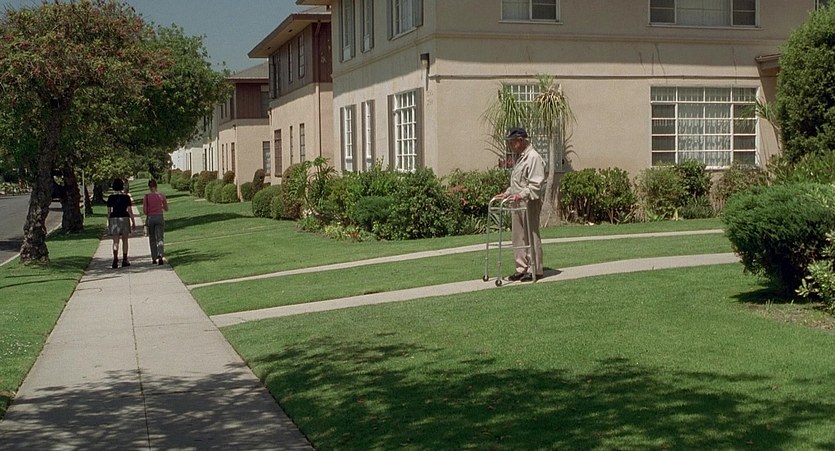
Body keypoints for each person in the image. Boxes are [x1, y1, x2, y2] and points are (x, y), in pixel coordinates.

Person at [495, 127, 545, 282]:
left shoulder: (533, 157)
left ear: (521, 140)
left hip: (529, 202)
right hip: (517, 202)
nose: (510, 145)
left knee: (531, 235)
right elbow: (517, 182)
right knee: (518, 236)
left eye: (512, 142)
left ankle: (534, 268)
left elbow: (535, 184)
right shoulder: (519, 157)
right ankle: (521, 268)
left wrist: (521, 195)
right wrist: (508, 193)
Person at [106, 178, 136, 269]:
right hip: (124, 218)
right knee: (125, 240)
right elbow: (130, 210)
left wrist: (109, 222)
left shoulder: (111, 197)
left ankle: (115, 259)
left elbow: (109, 212)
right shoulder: (126, 197)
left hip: (114, 218)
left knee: (115, 241)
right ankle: (125, 259)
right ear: (122, 186)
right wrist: (133, 221)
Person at [143, 179, 169, 265]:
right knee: (160, 238)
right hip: (159, 217)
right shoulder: (161, 195)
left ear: (149, 187)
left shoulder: (146, 197)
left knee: (152, 238)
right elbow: (166, 208)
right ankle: (160, 255)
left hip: (151, 218)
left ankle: (154, 258)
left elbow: (145, 211)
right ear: (156, 186)